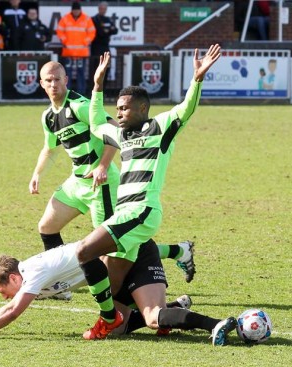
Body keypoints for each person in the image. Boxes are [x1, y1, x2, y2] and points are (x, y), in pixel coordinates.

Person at [73, 44, 221, 340]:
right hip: (127, 216)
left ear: (143, 108)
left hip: (140, 212)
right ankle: (132, 316)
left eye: (125, 108)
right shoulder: (121, 135)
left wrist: (197, 79)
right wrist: (97, 86)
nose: (120, 114)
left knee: (84, 252)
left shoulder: (160, 127)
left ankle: (108, 320)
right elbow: (96, 123)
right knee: (112, 289)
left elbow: (186, 109)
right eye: (118, 110)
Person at [30, 61, 196, 288]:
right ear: (41, 83)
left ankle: (178, 251)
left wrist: (102, 166)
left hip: (101, 184)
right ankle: (58, 282)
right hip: (76, 182)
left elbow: (111, 130)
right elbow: (50, 148)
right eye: (48, 81)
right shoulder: (48, 116)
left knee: (114, 246)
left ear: (65, 80)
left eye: (57, 79)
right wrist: (37, 174)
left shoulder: (78, 106)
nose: (53, 84)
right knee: (47, 227)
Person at [0, 240, 237, 346]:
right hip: (118, 270)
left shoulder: (33, 274)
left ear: (14, 277)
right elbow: (7, 308)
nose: (3, 296)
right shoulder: (26, 274)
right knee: (119, 330)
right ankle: (175, 306)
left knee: (153, 318)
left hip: (135, 256)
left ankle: (215, 325)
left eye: (2, 290)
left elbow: (12, 312)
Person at [56, 1, 96, 96]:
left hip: (81, 52)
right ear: (72, 10)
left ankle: (81, 92)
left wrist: (85, 42)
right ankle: (67, 92)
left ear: (80, 10)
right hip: (68, 51)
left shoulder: (86, 19)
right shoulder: (65, 18)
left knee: (81, 72)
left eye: (77, 10)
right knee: (67, 73)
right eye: (74, 10)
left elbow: (92, 32)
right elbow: (59, 31)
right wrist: (65, 41)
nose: (76, 12)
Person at [89, 2, 118, 91]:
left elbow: (115, 30)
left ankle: (103, 90)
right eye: (101, 8)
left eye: (104, 9)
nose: (103, 10)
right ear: (98, 9)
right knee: (95, 70)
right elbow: (100, 33)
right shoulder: (94, 19)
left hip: (106, 47)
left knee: (106, 69)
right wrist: (108, 30)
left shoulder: (108, 19)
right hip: (96, 48)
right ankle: (93, 91)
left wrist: (107, 30)